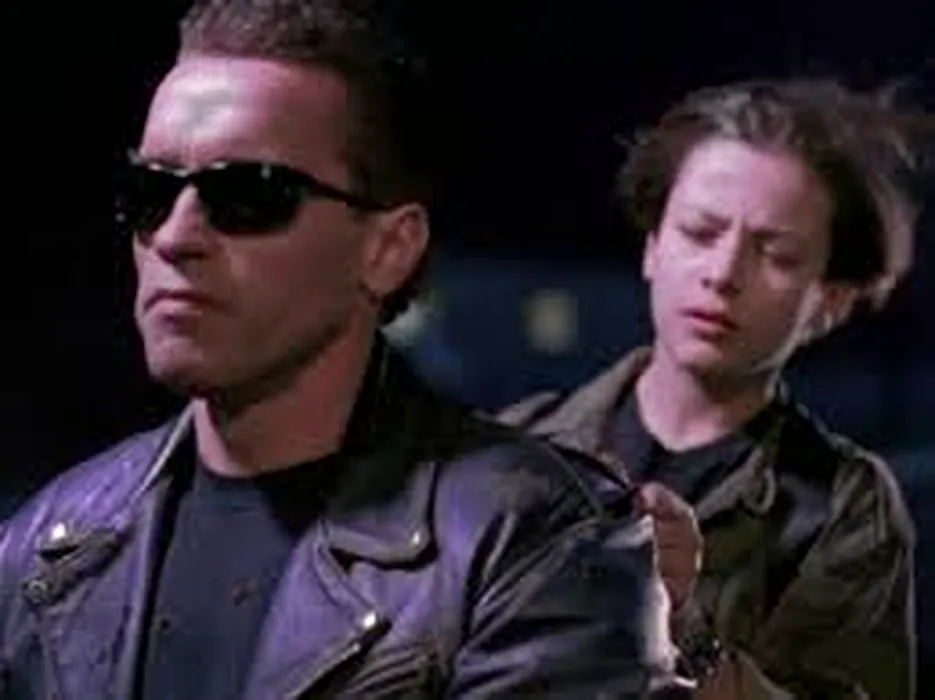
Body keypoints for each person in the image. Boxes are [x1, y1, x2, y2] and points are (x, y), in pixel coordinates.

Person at [0, 0, 688, 697]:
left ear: (388, 249)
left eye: (248, 194)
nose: (175, 238)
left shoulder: (537, 542)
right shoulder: (48, 545)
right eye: (150, 192)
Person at [500, 79, 928, 698]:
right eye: (700, 233)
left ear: (829, 302)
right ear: (653, 246)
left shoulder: (840, 506)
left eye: (776, 255)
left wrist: (683, 623)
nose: (724, 274)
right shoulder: (517, 446)